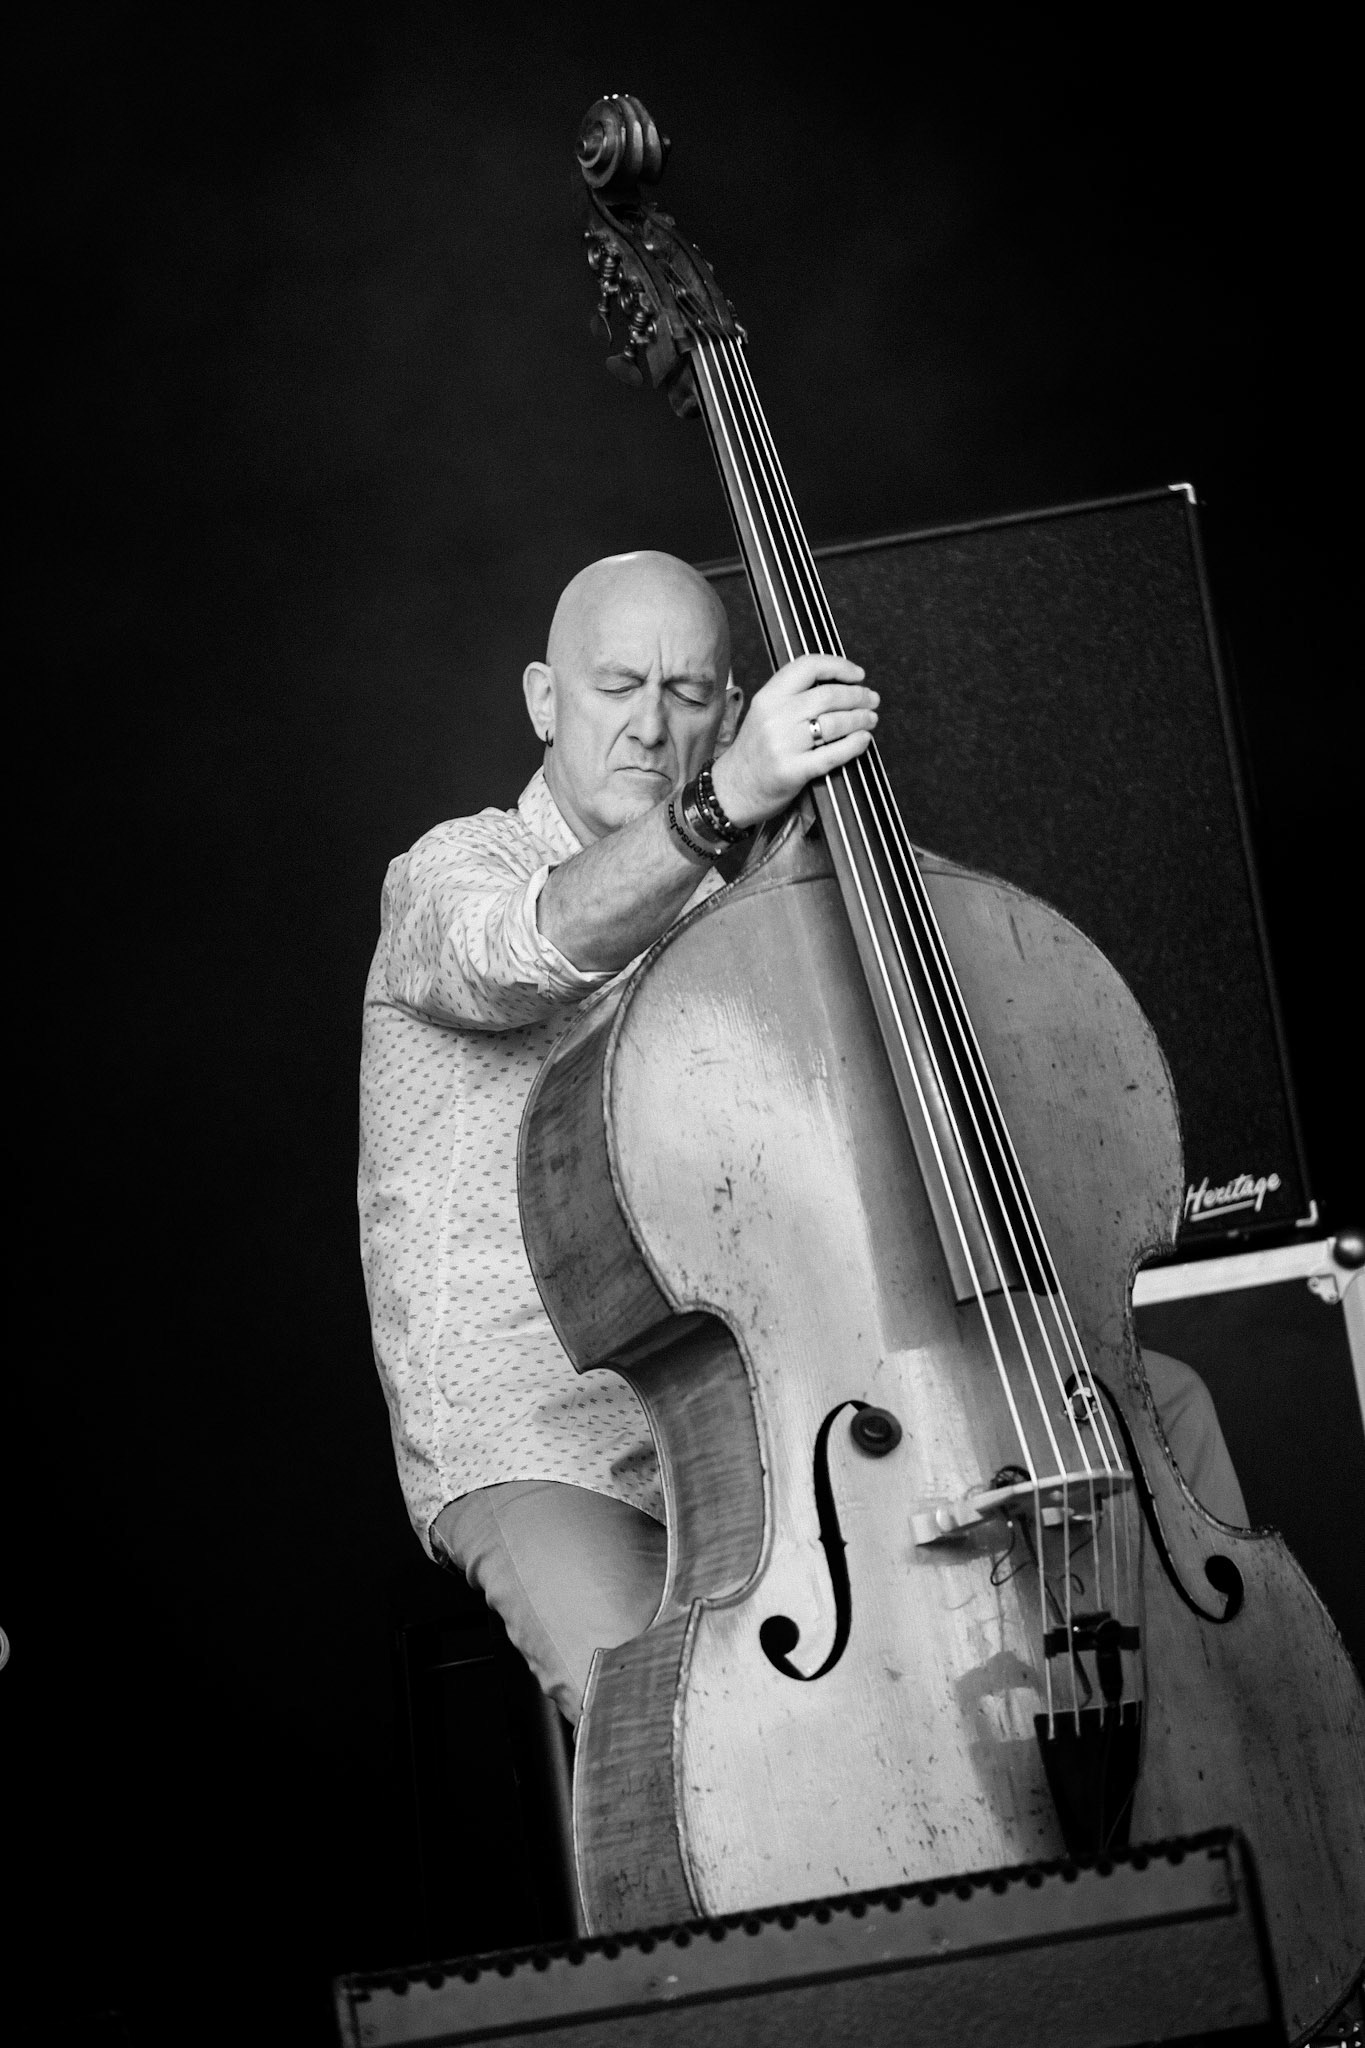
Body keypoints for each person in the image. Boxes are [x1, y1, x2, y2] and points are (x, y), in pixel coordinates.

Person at [358, 548, 1246, 1726]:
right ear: (543, 698)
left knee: (1155, 1403)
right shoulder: (448, 873)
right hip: (554, 1440)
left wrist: (869, 865)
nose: (649, 724)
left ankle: (1231, 1780)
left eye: (687, 695)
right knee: (684, 1720)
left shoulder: (744, 916)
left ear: (727, 710)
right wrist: (723, 798)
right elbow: (530, 950)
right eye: (617, 684)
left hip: (777, 1405)